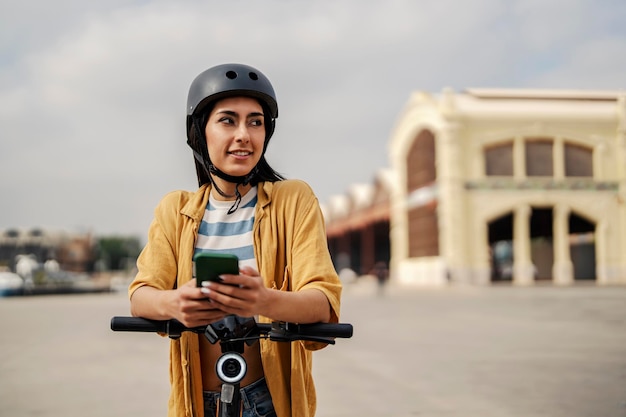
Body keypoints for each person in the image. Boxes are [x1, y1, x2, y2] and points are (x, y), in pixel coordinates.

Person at [128, 63, 342, 417]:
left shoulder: (293, 199)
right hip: (199, 403)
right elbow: (141, 294)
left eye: (255, 122)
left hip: (269, 401)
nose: (244, 134)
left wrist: (264, 300)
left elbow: (323, 301)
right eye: (228, 120)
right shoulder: (175, 209)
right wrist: (175, 303)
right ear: (201, 132)